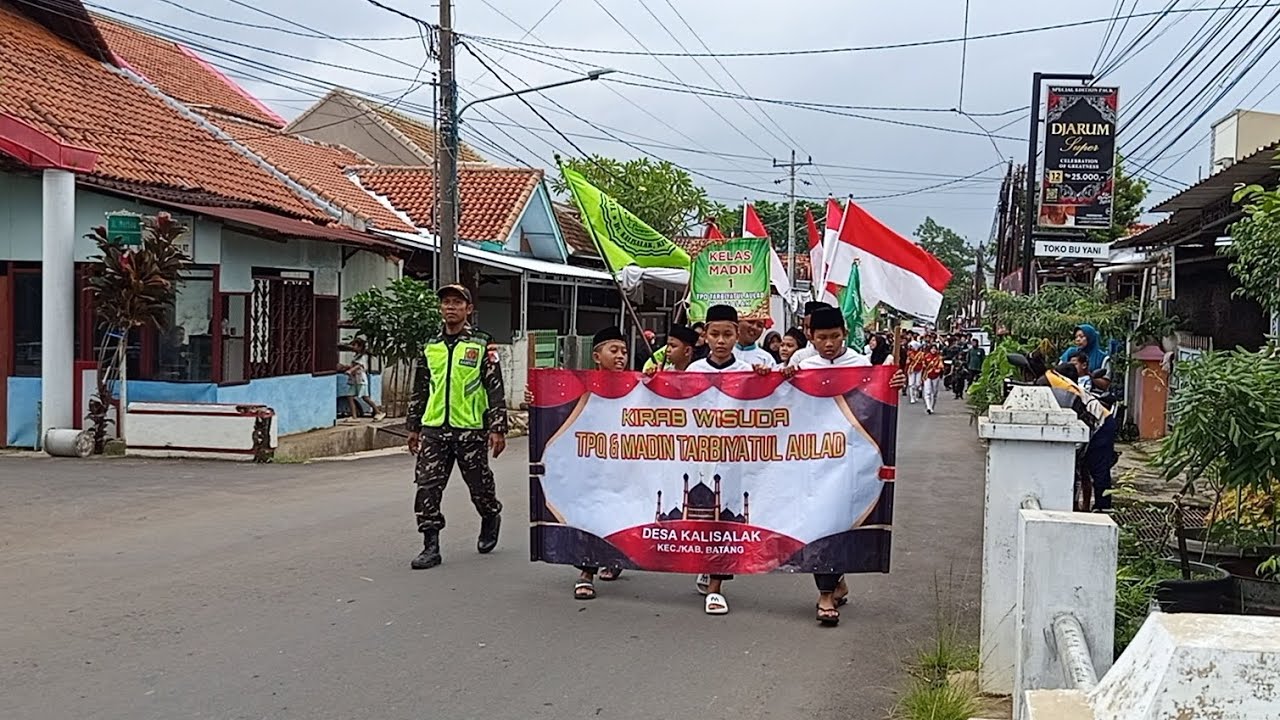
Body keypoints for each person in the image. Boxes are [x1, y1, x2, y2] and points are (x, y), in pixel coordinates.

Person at [784, 306, 905, 626]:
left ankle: (828, 590)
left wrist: (893, 383)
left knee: (840, 520)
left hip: (849, 459)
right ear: (810, 336)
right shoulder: (801, 365)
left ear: (845, 335)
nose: (828, 344)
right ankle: (829, 589)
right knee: (817, 521)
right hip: (810, 458)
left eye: (834, 337)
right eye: (821, 337)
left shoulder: (862, 366)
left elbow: (877, 404)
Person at [405, 284, 506, 570]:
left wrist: (498, 427)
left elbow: (494, 388)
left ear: (468, 310)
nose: (450, 307)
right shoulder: (430, 346)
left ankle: (490, 516)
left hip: (470, 430)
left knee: (479, 487)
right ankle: (430, 545)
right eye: (446, 303)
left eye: (457, 303)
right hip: (435, 429)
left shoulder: (482, 344)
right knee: (427, 486)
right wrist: (414, 426)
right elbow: (420, 388)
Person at [687, 304, 772, 615]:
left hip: (735, 459)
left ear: (738, 335)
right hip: (700, 457)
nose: (721, 341)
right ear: (705, 336)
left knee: (726, 513)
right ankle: (705, 563)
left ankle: (716, 585)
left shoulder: (749, 372)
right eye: (714, 334)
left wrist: (766, 379)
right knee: (701, 513)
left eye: (727, 334)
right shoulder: (694, 373)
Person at [338, 337, 387, 422]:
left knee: (365, 398)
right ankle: (354, 417)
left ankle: (378, 412)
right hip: (354, 380)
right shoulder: (356, 356)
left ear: (360, 347)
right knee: (350, 396)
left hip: (361, 380)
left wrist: (350, 370)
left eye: (355, 345)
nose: (353, 347)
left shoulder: (362, 356)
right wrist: (345, 367)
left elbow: (358, 366)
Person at [786, 301, 831, 367]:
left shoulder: (848, 357)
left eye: (813, 327)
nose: (808, 332)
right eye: (806, 327)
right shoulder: (799, 357)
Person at [920, 341, 944, 415]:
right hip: (927, 376)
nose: (933, 350)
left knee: (934, 393)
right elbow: (923, 366)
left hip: (935, 376)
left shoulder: (939, 358)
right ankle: (928, 407)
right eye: (932, 348)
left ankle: (932, 407)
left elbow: (941, 366)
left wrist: (939, 370)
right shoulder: (926, 356)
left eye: (935, 349)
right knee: (927, 392)